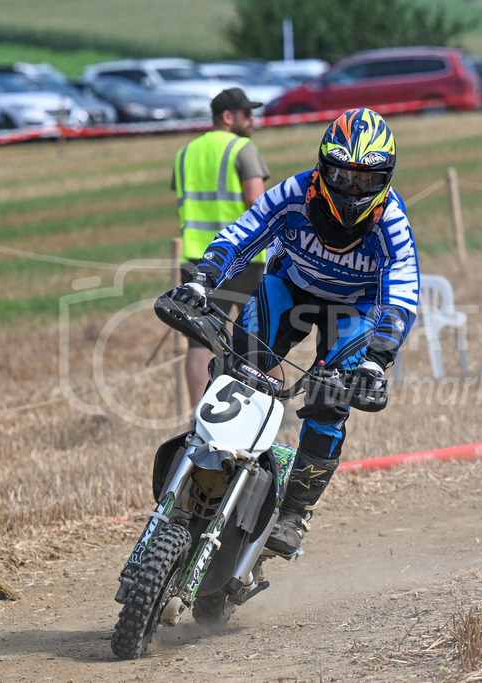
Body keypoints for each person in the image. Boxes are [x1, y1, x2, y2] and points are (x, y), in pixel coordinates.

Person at [168, 108, 419, 557]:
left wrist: (376, 363)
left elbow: (401, 295)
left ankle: (294, 513)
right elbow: (244, 233)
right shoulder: (294, 192)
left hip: (353, 310)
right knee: (234, 370)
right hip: (289, 288)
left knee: (330, 400)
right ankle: (201, 463)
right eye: (341, 176)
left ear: (385, 178)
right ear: (323, 167)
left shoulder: (392, 224)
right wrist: (201, 282)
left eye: (365, 180)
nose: (351, 190)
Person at [172, 87, 271, 406]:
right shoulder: (243, 148)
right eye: (246, 114)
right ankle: (257, 413)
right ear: (228, 117)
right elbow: (256, 201)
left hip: (195, 259)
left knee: (200, 341)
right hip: (244, 259)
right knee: (259, 338)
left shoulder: (185, 152)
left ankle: (199, 415)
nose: (252, 119)